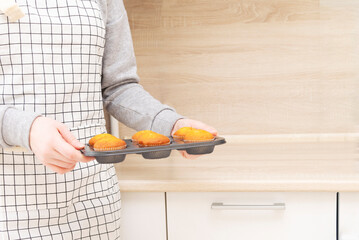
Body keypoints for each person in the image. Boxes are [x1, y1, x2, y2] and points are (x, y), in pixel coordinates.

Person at [0, 0, 217, 239]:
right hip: (11, 207)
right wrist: (26, 128)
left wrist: (172, 124)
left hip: (93, 201)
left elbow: (118, 87)